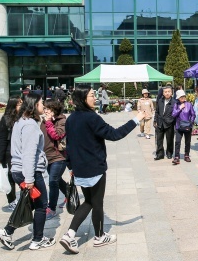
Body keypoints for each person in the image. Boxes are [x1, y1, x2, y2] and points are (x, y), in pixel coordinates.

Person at [59, 85, 145, 254]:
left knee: (89, 201)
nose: (95, 98)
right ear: (83, 98)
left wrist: (71, 166)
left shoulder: (71, 119)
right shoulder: (92, 118)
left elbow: (68, 146)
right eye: (92, 95)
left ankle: (71, 234)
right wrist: (136, 119)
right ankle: (97, 237)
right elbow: (114, 134)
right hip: (95, 168)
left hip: (80, 168)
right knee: (96, 203)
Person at [0, 92, 56, 251]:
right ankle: (37, 239)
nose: (43, 106)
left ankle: (6, 231)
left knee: (27, 202)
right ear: (34, 105)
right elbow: (29, 154)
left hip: (18, 169)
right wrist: (29, 179)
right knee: (42, 205)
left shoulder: (21, 121)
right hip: (29, 171)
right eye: (41, 103)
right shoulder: (29, 125)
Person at [41, 99, 68, 220]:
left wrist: (48, 122)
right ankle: (70, 195)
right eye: (44, 108)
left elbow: (56, 135)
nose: (45, 111)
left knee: (52, 181)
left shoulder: (62, 120)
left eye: (47, 108)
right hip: (47, 157)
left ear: (54, 109)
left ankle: (51, 208)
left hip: (59, 157)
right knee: (57, 180)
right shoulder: (44, 120)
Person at [0, 95, 22, 211]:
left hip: (18, 152)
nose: (22, 105)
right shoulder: (5, 119)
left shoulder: (21, 117)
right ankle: (12, 201)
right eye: (19, 103)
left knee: (20, 175)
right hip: (8, 153)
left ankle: (24, 199)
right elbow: (2, 140)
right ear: (13, 105)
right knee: (10, 178)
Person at [172, 90, 196, 164]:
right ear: (178, 98)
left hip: (187, 126)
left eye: (183, 96)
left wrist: (190, 122)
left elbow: (193, 114)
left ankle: (186, 155)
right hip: (179, 126)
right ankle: (176, 156)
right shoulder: (176, 105)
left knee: (187, 141)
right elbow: (173, 114)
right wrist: (179, 108)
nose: (183, 98)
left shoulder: (189, 104)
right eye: (181, 97)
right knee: (177, 142)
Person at [154, 86, 175, 160]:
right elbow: (157, 111)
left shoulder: (174, 102)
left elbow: (175, 114)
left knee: (169, 139)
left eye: (168, 91)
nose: (167, 93)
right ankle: (160, 154)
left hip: (169, 123)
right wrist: (155, 121)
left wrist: (171, 120)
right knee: (159, 139)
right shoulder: (160, 101)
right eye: (165, 92)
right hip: (160, 123)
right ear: (163, 93)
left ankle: (169, 153)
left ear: (171, 92)